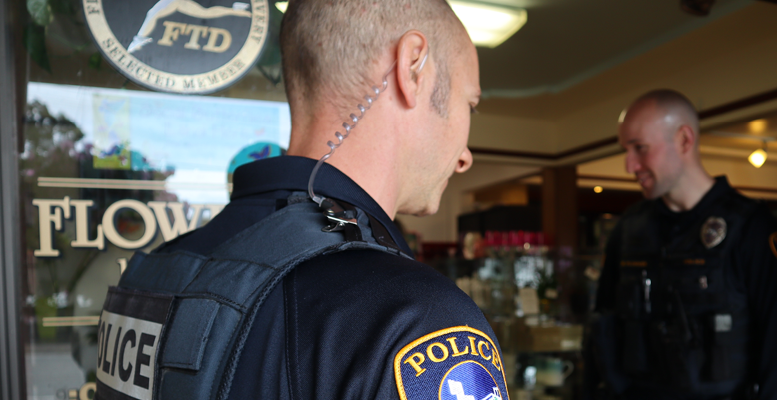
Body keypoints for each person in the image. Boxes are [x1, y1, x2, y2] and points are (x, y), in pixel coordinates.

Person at [95, 1, 509, 399]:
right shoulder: (415, 320)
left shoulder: (157, 273)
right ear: (412, 67)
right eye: (468, 103)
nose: (465, 156)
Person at [588, 89, 777, 399]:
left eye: (640, 148)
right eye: (626, 150)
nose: (629, 165)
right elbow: (602, 335)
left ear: (684, 140)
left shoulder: (750, 229)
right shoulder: (630, 229)